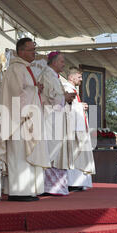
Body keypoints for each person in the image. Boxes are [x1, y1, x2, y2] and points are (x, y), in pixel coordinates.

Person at [0, 37, 50, 201]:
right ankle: (18, 191)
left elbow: (26, 91)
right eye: (31, 49)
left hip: (28, 119)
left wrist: (35, 89)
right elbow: (15, 94)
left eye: (35, 49)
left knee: (27, 154)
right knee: (19, 155)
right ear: (20, 51)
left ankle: (29, 190)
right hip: (18, 120)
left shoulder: (25, 68)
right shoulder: (15, 69)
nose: (34, 53)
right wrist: (34, 90)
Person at [39, 52, 74, 195]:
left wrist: (66, 98)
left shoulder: (54, 76)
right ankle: (48, 187)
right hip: (49, 118)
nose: (63, 64)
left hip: (57, 118)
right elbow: (48, 97)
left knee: (57, 151)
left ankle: (57, 187)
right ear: (53, 62)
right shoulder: (47, 75)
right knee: (51, 152)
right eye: (61, 61)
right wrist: (64, 97)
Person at [63, 66, 95, 191]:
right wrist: (79, 106)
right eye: (79, 76)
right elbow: (64, 107)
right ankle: (73, 182)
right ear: (71, 77)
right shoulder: (66, 88)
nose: (81, 79)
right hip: (73, 129)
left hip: (79, 126)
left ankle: (80, 181)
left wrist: (80, 106)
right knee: (74, 154)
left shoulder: (73, 89)